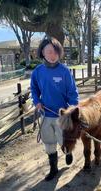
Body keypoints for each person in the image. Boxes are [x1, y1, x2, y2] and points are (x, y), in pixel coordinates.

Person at [30, 36, 79, 181]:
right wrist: (36, 101)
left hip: (62, 116)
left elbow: (72, 91)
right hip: (45, 114)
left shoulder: (64, 71)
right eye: (49, 52)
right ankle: (53, 169)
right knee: (48, 142)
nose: (52, 55)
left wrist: (71, 109)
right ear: (42, 53)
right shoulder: (38, 72)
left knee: (63, 140)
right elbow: (34, 89)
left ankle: (68, 152)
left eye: (55, 52)